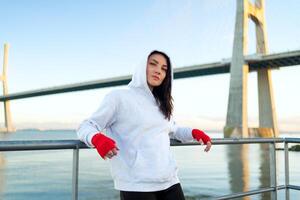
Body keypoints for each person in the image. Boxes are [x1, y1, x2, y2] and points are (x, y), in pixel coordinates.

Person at [77, 50, 212, 200]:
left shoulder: (162, 104)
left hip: (170, 180)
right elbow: (86, 126)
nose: (158, 71)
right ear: (142, 67)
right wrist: (97, 139)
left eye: (164, 69)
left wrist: (195, 133)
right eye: (153, 64)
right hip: (136, 185)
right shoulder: (118, 97)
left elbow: (174, 129)